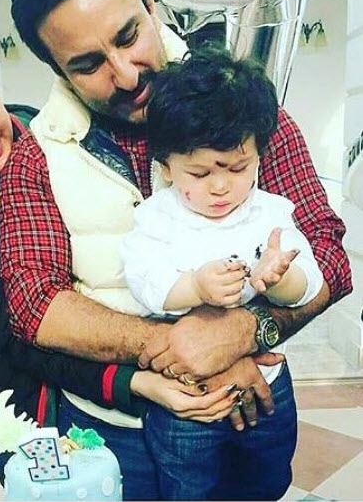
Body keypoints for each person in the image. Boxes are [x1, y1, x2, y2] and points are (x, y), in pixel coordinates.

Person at [3, 0, 351, 499]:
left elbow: (328, 255)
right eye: (88, 64)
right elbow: (33, 302)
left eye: (128, 36)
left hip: (248, 403)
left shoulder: (241, 110)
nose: (126, 75)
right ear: (55, 67)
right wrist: (175, 346)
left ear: (150, 1)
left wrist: (243, 332)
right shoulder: (36, 155)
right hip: (111, 428)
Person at [0, 25, 241, 487]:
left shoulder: (55, 138)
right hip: (33, 407)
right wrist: (136, 380)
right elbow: (16, 335)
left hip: (130, 374)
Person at [120, 46, 324, 500]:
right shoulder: (157, 217)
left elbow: (310, 283)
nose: (219, 186)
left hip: (268, 382)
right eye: (198, 173)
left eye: (237, 168)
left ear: (259, 157)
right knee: (187, 484)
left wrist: (281, 278)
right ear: (166, 167)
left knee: (268, 475)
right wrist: (193, 286)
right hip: (189, 399)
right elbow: (143, 280)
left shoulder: (270, 212)